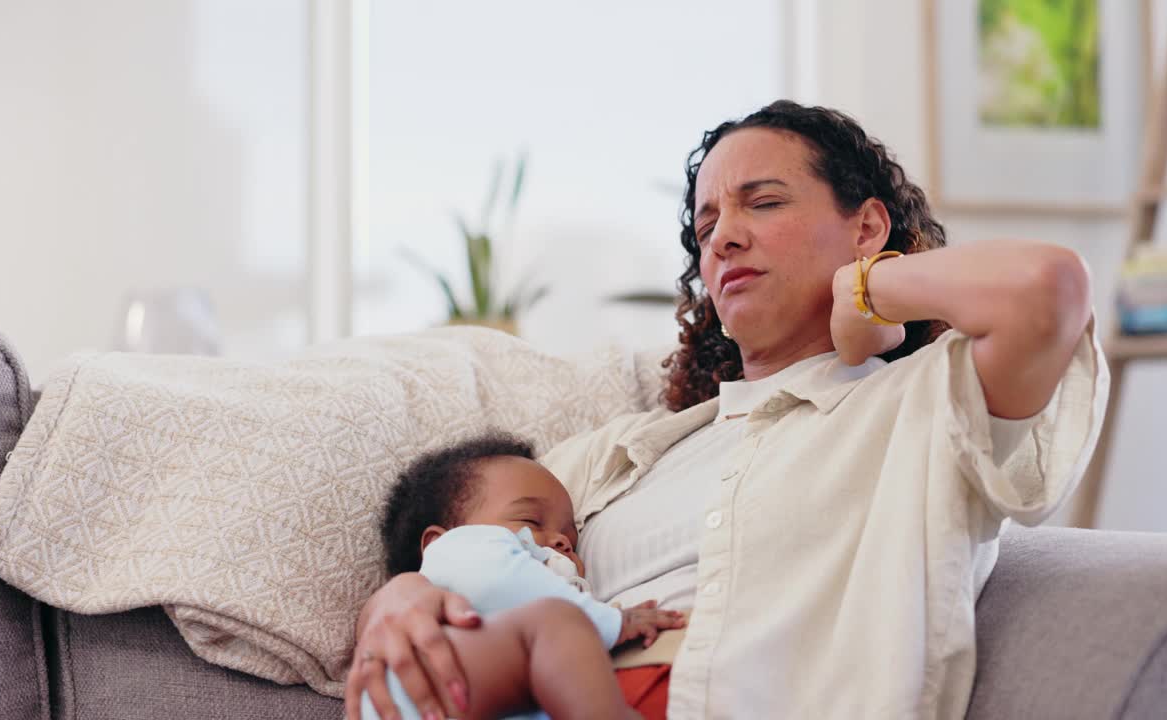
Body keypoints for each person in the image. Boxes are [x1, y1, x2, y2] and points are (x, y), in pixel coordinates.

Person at [345, 100, 1107, 720]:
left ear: (867, 226)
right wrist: (400, 594)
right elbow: (477, 545)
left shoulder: (924, 406)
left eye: (763, 202)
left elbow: (1047, 289)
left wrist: (865, 293)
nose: (726, 238)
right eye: (707, 228)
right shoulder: (623, 453)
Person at [361, 432, 685, 720]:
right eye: (531, 520)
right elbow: (502, 582)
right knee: (559, 621)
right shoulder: (457, 550)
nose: (561, 542)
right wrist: (613, 622)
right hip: (427, 684)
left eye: (571, 539)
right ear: (437, 541)